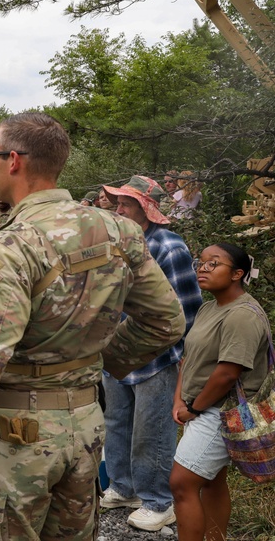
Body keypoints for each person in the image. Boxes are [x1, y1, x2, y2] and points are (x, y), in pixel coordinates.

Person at [0, 112, 185, 540]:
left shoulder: (9, 246)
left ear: (13, 161)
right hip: (85, 422)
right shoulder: (119, 231)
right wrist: (103, 360)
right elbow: (166, 320)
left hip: (17, 435)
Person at [101, 175, 202, 532]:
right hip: (116, 352)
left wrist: (180, 357)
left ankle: (159, 502)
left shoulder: (168, 246)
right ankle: (123, 487)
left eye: (126, 203)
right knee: (116, 421)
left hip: (155, 357)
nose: (118, 208)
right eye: (117, 202)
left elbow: (187, 310)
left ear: (147, 208)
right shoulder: (120, 244)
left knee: (152, 428)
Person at [170, 243, 269, 541]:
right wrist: (179, 399)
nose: (202, 269)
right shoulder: (209, 306)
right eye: (199, 263)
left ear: (238, 274)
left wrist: (194, 408)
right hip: (201, 406)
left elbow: (227, 373)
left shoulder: (242, 315)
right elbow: (189, 358)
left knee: (181, 483)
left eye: (213, 264)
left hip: (220, 411)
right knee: (211, 480)